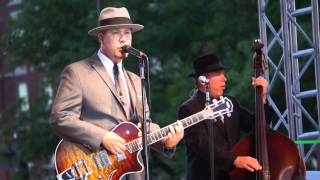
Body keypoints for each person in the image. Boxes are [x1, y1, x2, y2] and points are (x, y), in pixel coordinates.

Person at [51, 7, 184, 180]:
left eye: (127, 33)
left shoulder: (137, 80)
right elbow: (60, 117)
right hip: (94, 169)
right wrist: (102, 137)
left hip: (133, 172)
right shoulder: (77, 72)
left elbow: (144, 125)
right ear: (101, 37)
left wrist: (166, 143)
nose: (123, 39)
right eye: (116, 33)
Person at [177, 53, 270, 180]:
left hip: (234, 176)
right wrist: (234, 160)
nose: (225, 79)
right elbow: (201, 145)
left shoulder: (230, 102)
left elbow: (256, 126)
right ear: (203, 80)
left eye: (223, 73)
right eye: (218, 74)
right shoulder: (188, 109)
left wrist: (262, 97)